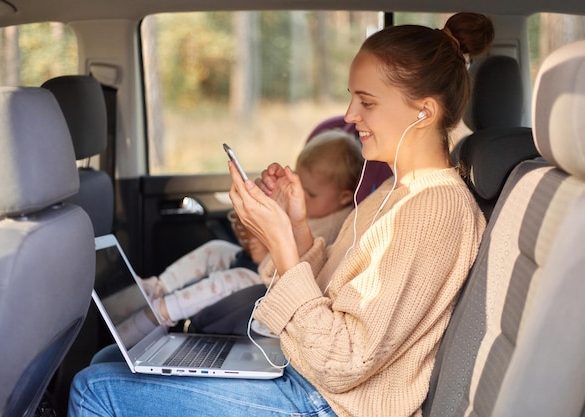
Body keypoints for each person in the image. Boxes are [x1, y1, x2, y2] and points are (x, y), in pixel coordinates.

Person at [68, 12, 491, 417]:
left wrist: (281, 243)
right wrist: (298, 226)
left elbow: (342, 362)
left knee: (94, 388)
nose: (349, 116)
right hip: (305, 372)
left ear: (425, 111)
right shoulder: (394, 190)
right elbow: (333, 296)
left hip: (329, 404)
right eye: (351, 99)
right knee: (112, 358)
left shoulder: (434, 211)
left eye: (367, 102)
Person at [112, 128, 364, 347]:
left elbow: (301, 268)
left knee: (228, 280)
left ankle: (161, 312)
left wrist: (263, 252)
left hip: (274, 283)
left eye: (310, 193)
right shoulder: (307, 206)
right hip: (262, 263)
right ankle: (157, 286)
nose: (299, 194)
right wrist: (252, 235)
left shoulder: (336, 224)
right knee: (217, 248)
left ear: (343, 197)